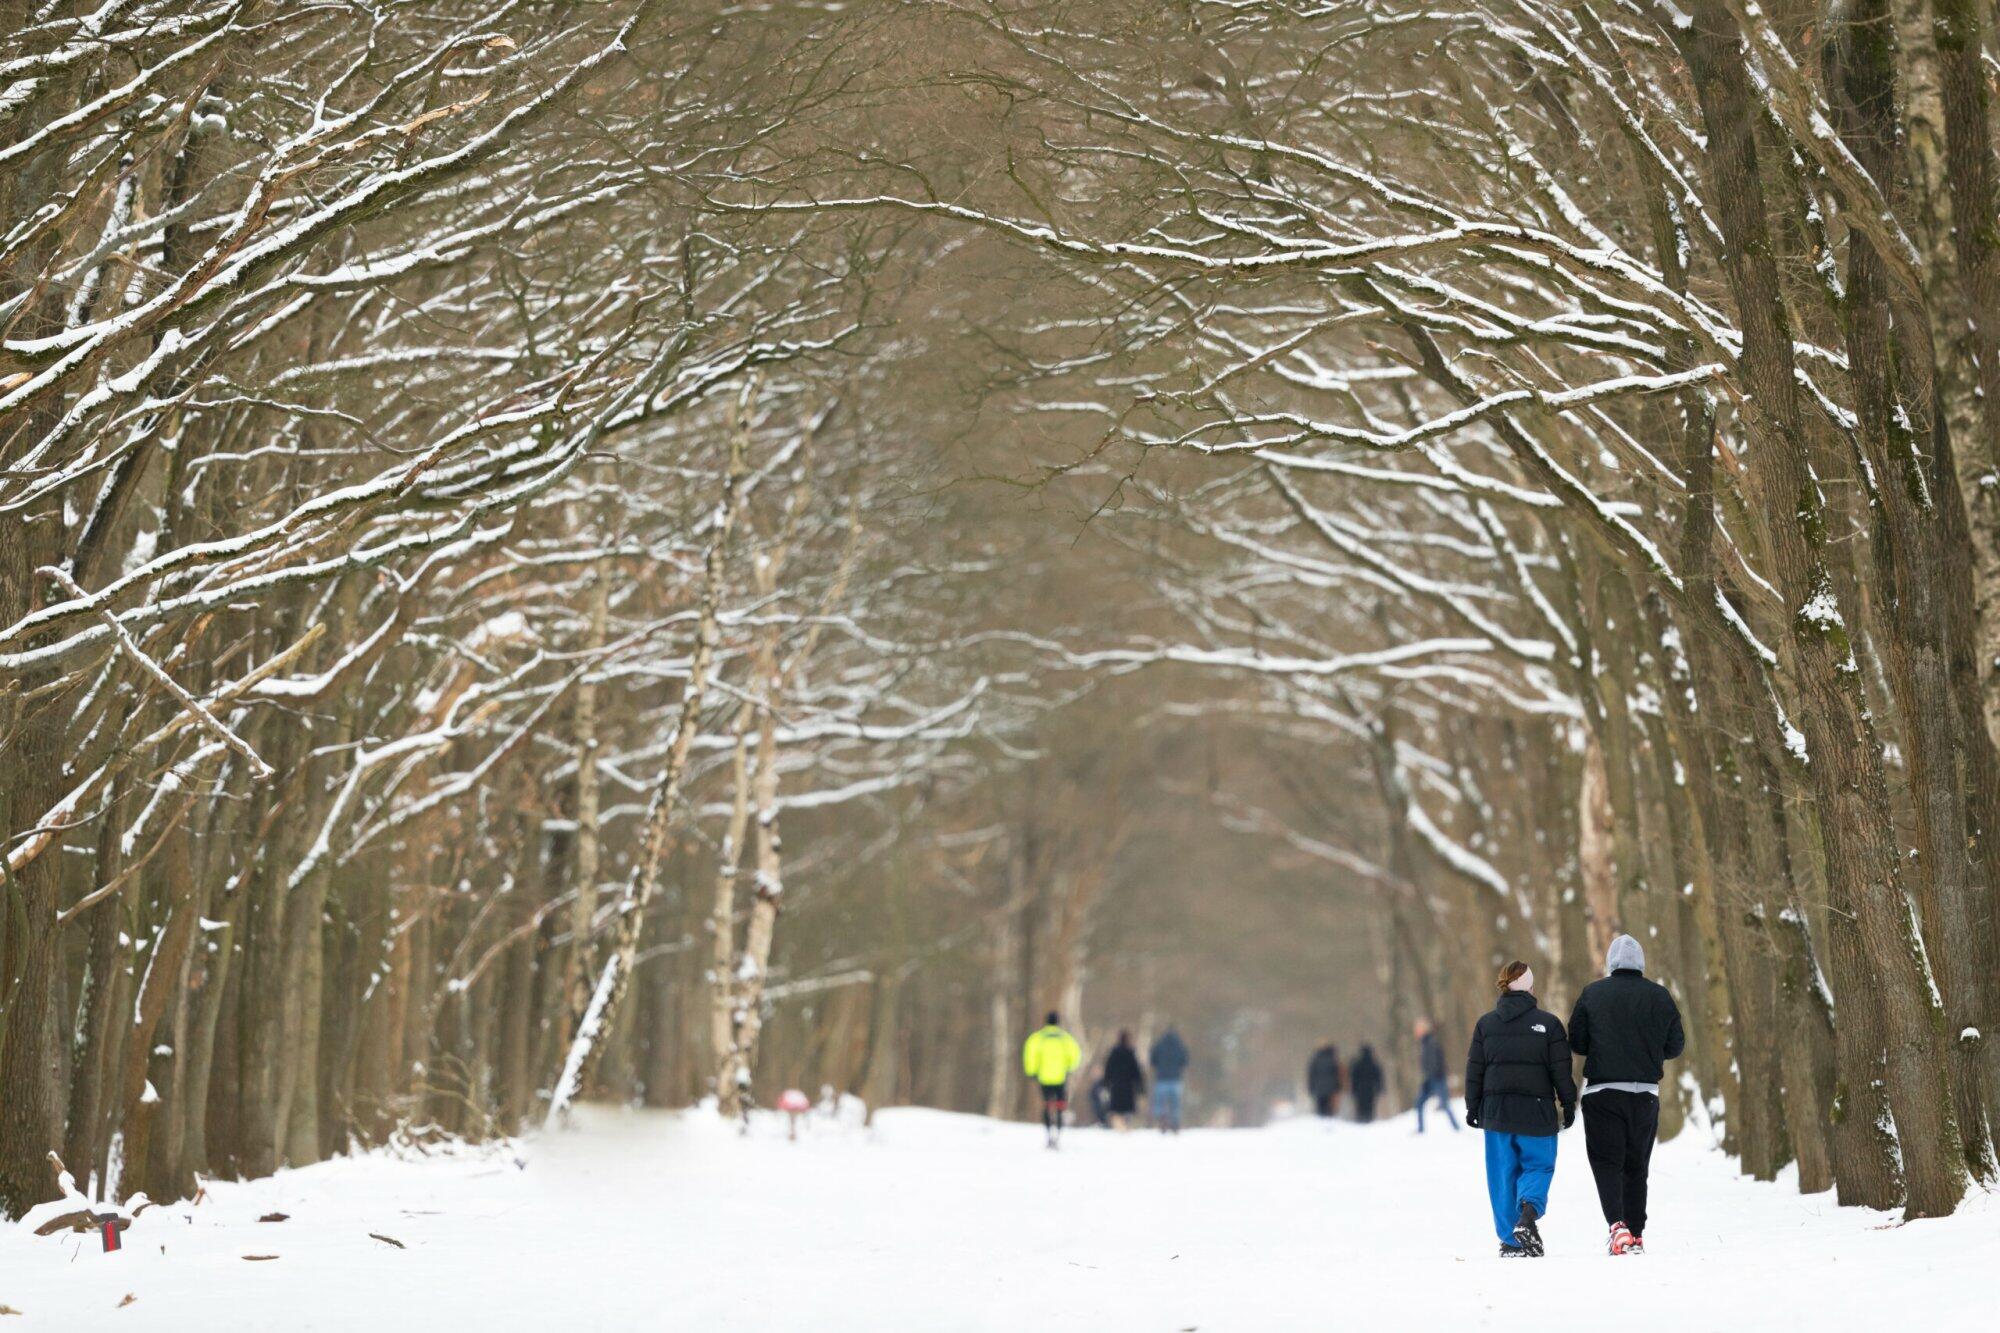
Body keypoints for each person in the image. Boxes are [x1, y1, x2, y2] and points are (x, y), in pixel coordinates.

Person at [1568, 933, 1686, 1256]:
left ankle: (1617, 1226)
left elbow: (1576, 1041)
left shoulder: (1593, 994)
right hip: (1645, 1094)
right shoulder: (1660, 996)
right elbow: (1676, 1045)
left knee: (1607, 1162)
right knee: (1637, 1165)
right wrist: (1649, 1052)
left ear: (1611, 963)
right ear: (1641, 964)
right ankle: (1635, 1232)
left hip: (1603, 1093)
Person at [1465, 961, 1576, 1258]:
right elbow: (1561, 1070)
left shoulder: (1485, 1025)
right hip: (1536, 1112)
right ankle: (1527, 1214)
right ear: (1530, 987)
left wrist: (1473, 1106)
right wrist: (1568, 1102)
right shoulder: (1548, 1024)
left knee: (1502, 1174)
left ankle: (1512, 1242)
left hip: (1496, 1113)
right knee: (1538, 1166)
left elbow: (1475, 1070)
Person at [1022, 1011, 1083, 1148]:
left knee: (1047, 1105)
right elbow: (1076, 1055)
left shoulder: (1037, 1038)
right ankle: (1058, 1135)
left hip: (1044, 1077)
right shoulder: (1065, 1038)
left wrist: (1032, 1071)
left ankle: (1048, 1134)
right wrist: (1070, 1067)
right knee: (1060, 1106)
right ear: (1058, 1022)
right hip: (1060, 1077)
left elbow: (1030, 1054)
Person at [1412, 1018, 1458, 1132]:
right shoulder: (1424, 1043)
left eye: (1417, 1029)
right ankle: (1420, 1129)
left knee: (1445, 1105)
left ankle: (1457, 1128)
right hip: (1430, 1080)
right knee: (1419, 1103)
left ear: (1423, 1030)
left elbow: (1436, 1062)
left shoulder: (1431, 1042)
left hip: (1437, 1079)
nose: (1416, 1032)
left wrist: (1433, 1077)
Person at [1102, 1030, 1146, 1131]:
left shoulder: (1113, 1053)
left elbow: (1108, 1069)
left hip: (1116, 1085)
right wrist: (1140, 1087)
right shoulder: (1131, 1053)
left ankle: (1118, 1126)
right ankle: (1126, 1126)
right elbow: (1136, 1071)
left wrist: (1106, 1083)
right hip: (1128, 1086)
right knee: (1127, 1108)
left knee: (1116, 1108)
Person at [1149, 1026, 1190, 1132]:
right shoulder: (1180, 1046)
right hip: (1175, 1079)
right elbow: (1185, 1061)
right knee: (1175, 1103)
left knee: (1160, 1102)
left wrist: (1159, 1067)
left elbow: (1152, 1060)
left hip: (1161, 1078)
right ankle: (1175, 1123)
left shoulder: (1159, 1045)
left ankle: (1162, 1119)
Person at [1307, 1042, 1344, 1117]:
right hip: (1331, 1088)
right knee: (1329, 1109)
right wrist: (1338, 1087)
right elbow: (1336, 1075)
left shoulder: (1315, 1060)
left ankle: (1321, 1119)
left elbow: (1312, 1075)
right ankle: (1328, 1120)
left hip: (1318, 1088)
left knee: (1320, 1108)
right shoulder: (1332, 1061)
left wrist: (1311, 1087)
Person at [1348, 1045, 1383, 1123]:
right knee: (1370, 1105)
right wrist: (1379, 1088)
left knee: (1360, 1105)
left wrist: (1353, 1089)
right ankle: (1369, 1120)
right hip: (1370, 1089)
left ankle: (1360, 1119)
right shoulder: (1374, 1064)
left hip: (1359, 1089)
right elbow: (1378, 1078)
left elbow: (1353, 1078)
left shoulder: (1357, 1064)